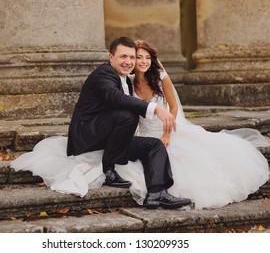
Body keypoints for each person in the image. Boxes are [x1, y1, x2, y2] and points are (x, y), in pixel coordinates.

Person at [11, 37, 192, 209]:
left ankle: (156, 193)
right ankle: (108, 169)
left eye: (131, 57)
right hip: (89, 137)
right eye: (123, 56)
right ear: (111, 57)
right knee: (127, 115)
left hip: (111, 138)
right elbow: (115, 98)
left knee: (154, 145)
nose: (128, 61)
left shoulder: (127, 80)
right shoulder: (103, 75)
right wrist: (156, 108)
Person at [114, 40, 270, 209]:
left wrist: (167, 134)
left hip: (168, 129)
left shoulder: (161, 77)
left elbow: (173, 107)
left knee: (187, 156)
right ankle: (157, 192)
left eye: (148, 57)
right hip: (146, 134)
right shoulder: (128, 82)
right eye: (139, 57)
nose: (144, 61)